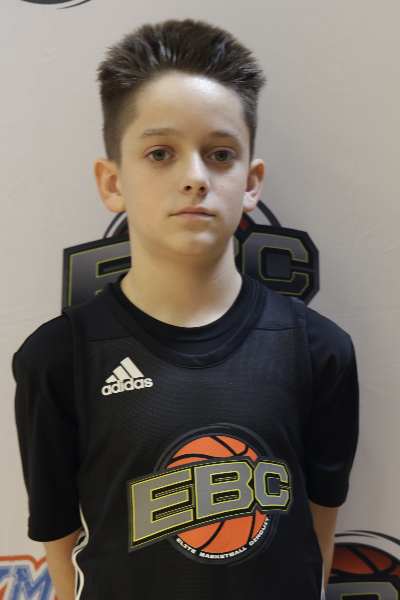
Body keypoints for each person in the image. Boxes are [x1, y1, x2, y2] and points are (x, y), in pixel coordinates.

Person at [13, 19, 359, 600]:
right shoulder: (58, 359)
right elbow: (58, 537)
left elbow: (319, 529)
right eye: (160, 153)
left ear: (251, 182)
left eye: (220, 154)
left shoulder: (318, 350)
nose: (195, 177)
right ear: (112, 182)